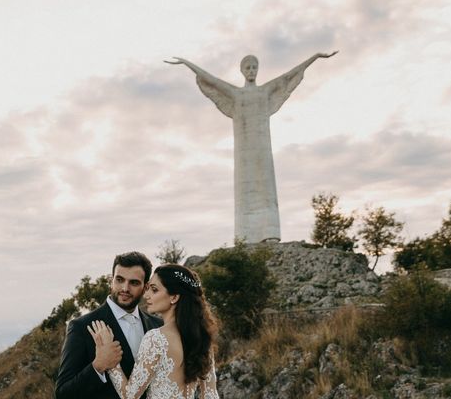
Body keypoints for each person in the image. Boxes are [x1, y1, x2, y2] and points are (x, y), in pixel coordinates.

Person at [166, 52, 338, 243]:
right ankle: (245, 236)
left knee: (266, 189)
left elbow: (289, 76)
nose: (251, 71)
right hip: (243, 151)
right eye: (247, 68)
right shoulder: (235, 94)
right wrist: (186, 63)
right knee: (245, 190)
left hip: (262, 149)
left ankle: (269, 233)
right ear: (241, 71)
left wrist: (314, 57)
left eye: (254, 67)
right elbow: (211, 81)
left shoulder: (264, 91)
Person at [88, 264, 220, 399]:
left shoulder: (156, 338)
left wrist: (112, 363)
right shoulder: (202, 339)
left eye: (154, 290)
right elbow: (211, 395)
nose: (146, 295)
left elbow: (129, 396)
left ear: (174, 297)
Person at [55, 251, 163, 399]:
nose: (125, 288)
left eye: (134, 282)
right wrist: (98, 366)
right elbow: (63, 393)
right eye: (119, 279)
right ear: (111, 280)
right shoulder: (81, 326)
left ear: (145, 287)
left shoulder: (158, 325)